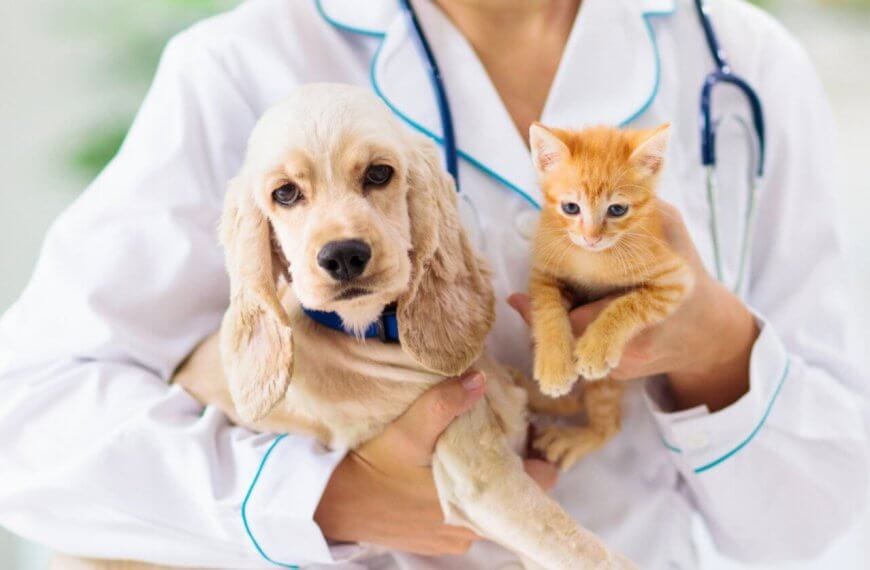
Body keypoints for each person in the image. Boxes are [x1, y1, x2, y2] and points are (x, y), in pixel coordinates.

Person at [0, 0, 867, 567]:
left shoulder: (745, 61)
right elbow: (30, 421)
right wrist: (328, 499)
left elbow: (822, 517)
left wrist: (718, 347)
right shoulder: (240, 65)